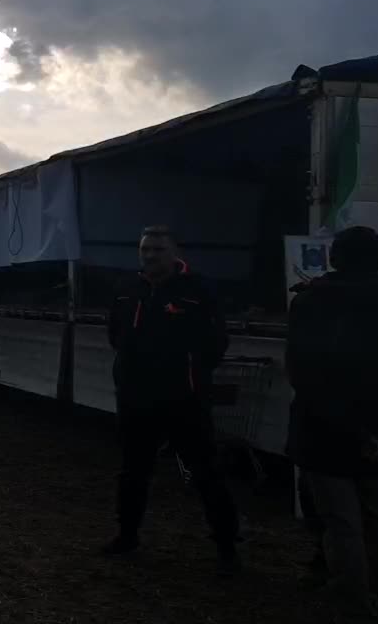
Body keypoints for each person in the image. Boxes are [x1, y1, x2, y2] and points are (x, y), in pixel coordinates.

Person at [287, 226, 378, 623]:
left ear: (334, 259)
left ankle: (354, 606)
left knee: (342, 527)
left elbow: (303, 374)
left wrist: (353, 429)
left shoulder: (311, 303)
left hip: (325, 432)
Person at [104, 226, 240, 576]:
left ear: (174, 252)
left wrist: (189, 371)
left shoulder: (198, 289)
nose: (150, 255)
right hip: (136, 399)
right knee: (133, 471)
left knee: (206, 472)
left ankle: (227, 544)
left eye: (158, 249)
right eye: (145, 249)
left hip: (184, 399)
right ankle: (127, 535)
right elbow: (115, 335)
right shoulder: (126, 289)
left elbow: (216, 342)